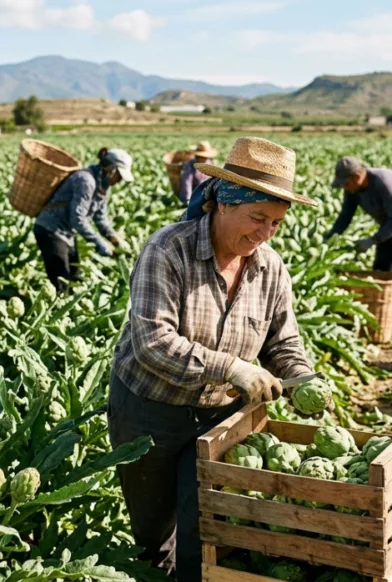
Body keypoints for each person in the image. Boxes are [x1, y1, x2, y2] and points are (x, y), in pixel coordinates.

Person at [109, 137, 318, 582]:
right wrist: (231, 367)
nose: (265, 234)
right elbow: (152, 342)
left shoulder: (270, 268)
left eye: (277, 223)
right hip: (150, 411)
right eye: (257, 218)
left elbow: (283, 342)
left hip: (220, 418)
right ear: (223, 203)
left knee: (206, 528)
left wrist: (301, 379)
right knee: (151, 532)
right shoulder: (168, 250)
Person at [329, 156, 392, 341]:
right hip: (388, 226)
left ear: (357, 176)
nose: (344, 187)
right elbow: (345, 216)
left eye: (345, 183)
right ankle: (377, 322)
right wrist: (330, 238)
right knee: (380, 272)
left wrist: (372, 240)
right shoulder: (352, 190)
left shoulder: (383, 181)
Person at [34, 148, 134, 293]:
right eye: (119, 176)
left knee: (77, 278)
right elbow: (77, 219)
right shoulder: (85, 181)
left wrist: (114, 237)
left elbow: (100, 217)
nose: (119, 181)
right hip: (51, 230)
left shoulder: (103, 185)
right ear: (111, 169)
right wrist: (100, 243)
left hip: (67, 233)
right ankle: (60, 310)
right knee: (62, 282)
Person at [177, 141, 219, 205]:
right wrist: (188, 200)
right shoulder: (189, 165)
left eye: (205, 157)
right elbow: (187, 183)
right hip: (195, 195)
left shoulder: (210, 163)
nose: (204, 158)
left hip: (207, 195)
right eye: (200, 157)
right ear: (197, 156)